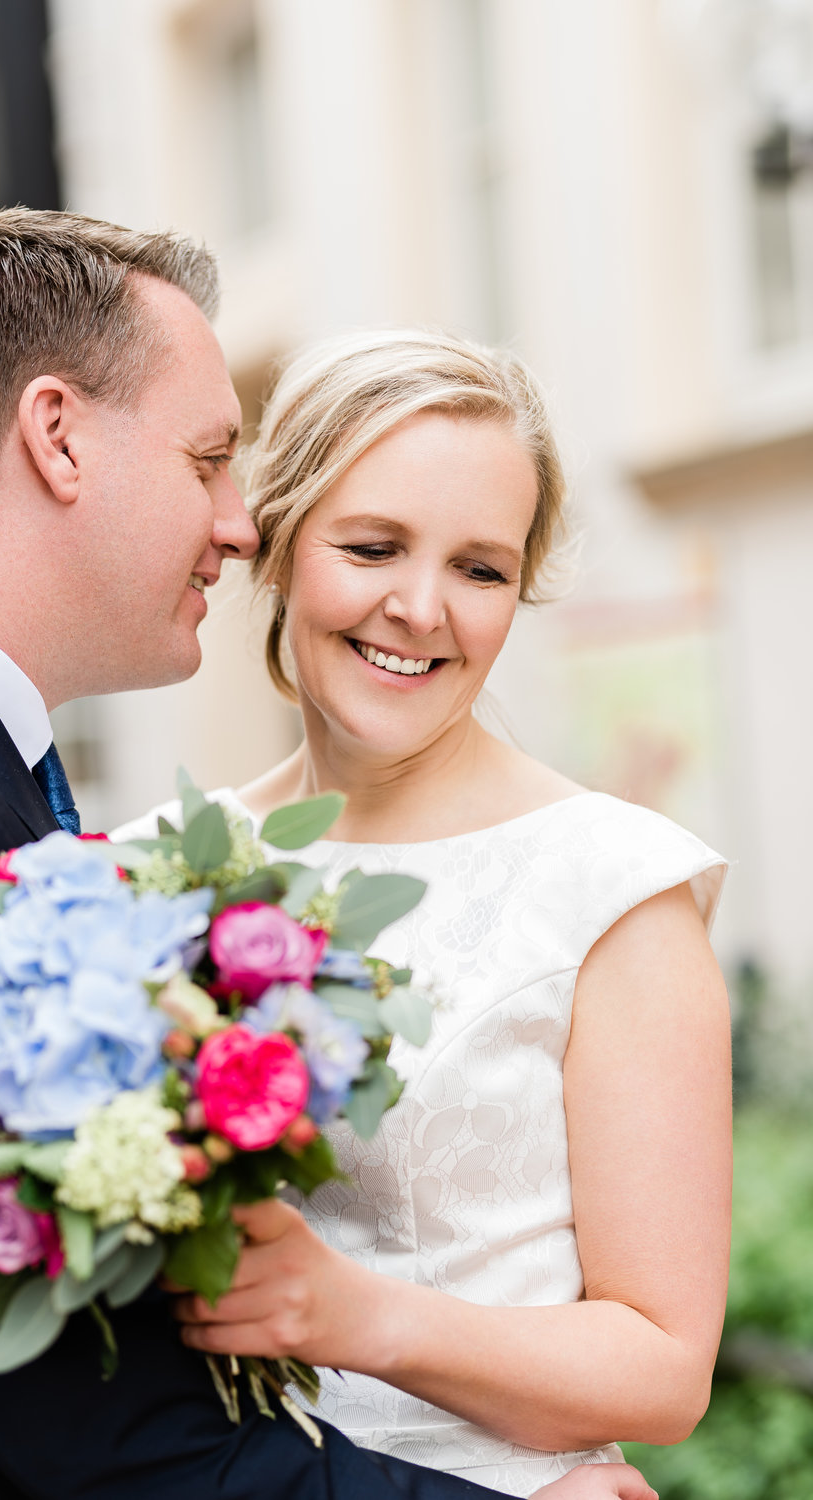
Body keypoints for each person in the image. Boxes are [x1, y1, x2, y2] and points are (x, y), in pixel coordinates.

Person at [0, 210, 655, 1500]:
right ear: (55, 436)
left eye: (481, 565)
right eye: (210, 458)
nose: (237, 522)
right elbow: (83, 1422)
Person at [120, 328, 732, 1496]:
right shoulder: (151, 869)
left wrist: (356, 1316)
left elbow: (662, 1366)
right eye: (371, 546)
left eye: (481, 568)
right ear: (279, 540)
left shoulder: (611, 886)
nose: (420, 608)